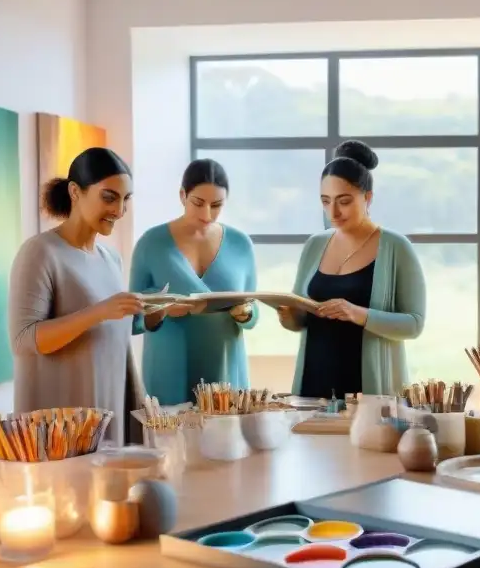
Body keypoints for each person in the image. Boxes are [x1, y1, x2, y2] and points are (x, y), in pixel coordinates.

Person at [7, 146, 145, 568]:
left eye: (126, 199)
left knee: (99, 553)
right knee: (53, 559)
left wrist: (151, 314)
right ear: (76, 193)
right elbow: (25, 340)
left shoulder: (109, 257)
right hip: (53, 428)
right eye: (109, 197)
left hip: (106, 421)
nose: (118, 209)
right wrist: (99, 311)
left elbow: (111, 332)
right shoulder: (39, 253)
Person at [277, 140, 426, 398]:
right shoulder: (314, 245)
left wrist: (357, 313)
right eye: (325, 201)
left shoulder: (395, 247)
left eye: (343, 201)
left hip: (368, 392)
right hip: (313, 387)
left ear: (368, 197)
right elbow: (300, 320)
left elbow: (414, 324)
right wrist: (287, 315)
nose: (333, 211)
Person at [129, 158, 258, 405]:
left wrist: (245, 313)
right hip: (168, 369)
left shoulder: (241, 244)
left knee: (224, 439)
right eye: (198, 203)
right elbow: (132, 320)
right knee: (169, 441)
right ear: (182, 195)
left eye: (216, 205)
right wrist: (160, 310)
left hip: (225, 371)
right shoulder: (151, 243)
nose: (206, 213)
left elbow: (254, 315)